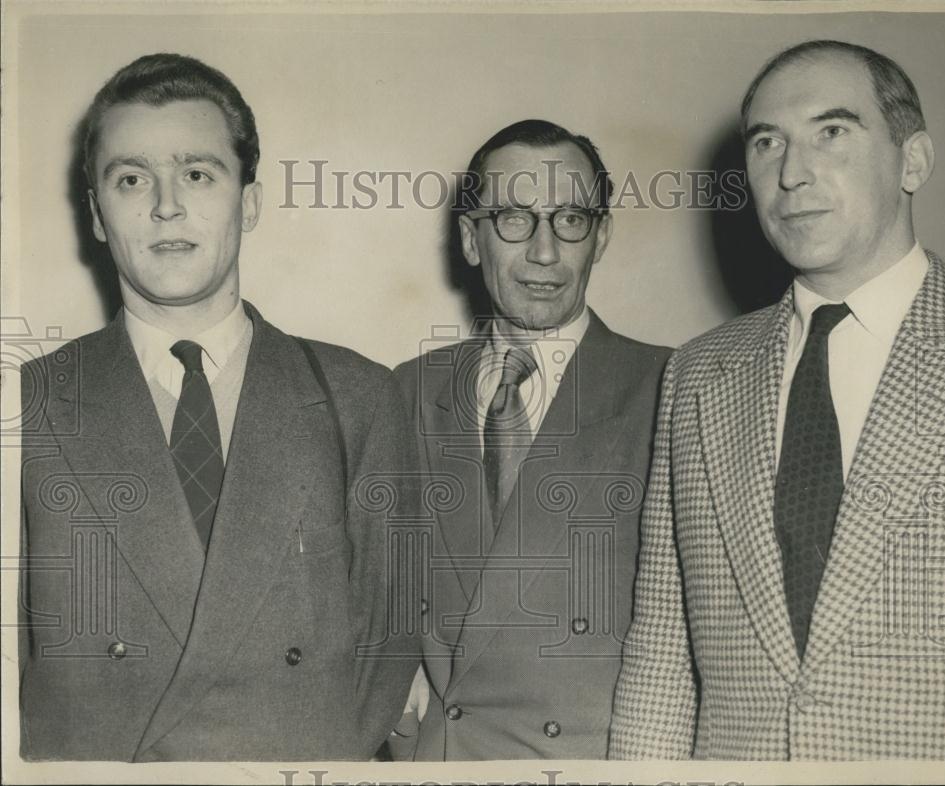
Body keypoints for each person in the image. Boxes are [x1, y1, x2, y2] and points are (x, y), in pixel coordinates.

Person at [18, 53, 418, 761]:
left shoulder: (358, 397)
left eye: (198, 174)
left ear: (249, 202)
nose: (166, 205)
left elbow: (386, 647)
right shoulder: (27, 407)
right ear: (98, 215)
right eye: (131, 178)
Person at [610, 39, 945, 760]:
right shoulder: (697, 374)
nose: (791, 173)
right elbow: (662, 652)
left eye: (831, 132)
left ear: (913, 161)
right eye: (767, 143)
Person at [392, 119, 672, 760]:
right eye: (514, 219)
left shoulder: (674, 387)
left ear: (601, 236)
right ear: (471, 239)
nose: (545, 251)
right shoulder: (407, 390)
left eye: (570, 219)